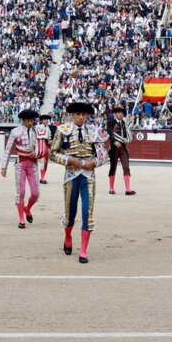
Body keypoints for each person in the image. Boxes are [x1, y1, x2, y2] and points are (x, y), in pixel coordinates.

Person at [49, 102, 108, 262]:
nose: (81, 117)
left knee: (87, 213)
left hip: (88, 176)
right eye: (78, 114)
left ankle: (83, 250)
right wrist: (69, 159)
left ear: (87, 116)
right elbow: (52, 154)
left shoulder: (95, 131)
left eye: (83, 114)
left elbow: (103, 155)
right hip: (71, 175)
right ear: (72, 115)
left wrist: (94, 162)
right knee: (70, 212)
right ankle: (68, 237)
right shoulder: (63, 130)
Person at [1, 108, 42, 229]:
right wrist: (4, 167)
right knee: (21, 192)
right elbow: (8, 149)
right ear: (23, 120)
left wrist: (38, 154)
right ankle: (21, 219)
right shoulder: (16, 131)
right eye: (28, 120)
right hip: (20, 164)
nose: (30, 123)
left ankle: (27, 209)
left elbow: (42, 147)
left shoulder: (38, 132)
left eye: (32, 120)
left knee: (35, 193)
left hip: (33, 165)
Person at [105, 105, 135, 195]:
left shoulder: (125, 123)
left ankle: (128, 189)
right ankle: (111, 188)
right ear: (115, 114)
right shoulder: (110, 122)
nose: (120, 114)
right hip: (114, 148)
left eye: (122, 113)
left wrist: (127, 140)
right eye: (118, 113)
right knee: (113, 167)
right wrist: (114, 141)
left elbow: (128, 134)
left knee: (126, 167)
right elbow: (109, 134)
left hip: (123, 148)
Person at [36, 113, 53, 184]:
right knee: (40, 162)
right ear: (41, 120)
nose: (46, 121)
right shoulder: (37, 127)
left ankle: (42, 177)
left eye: (47, 119)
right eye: (45, 119)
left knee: (45, 162)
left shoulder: (48, 128)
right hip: (39, 146)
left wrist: (50, 142)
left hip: (46, 146)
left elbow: (49, 138)